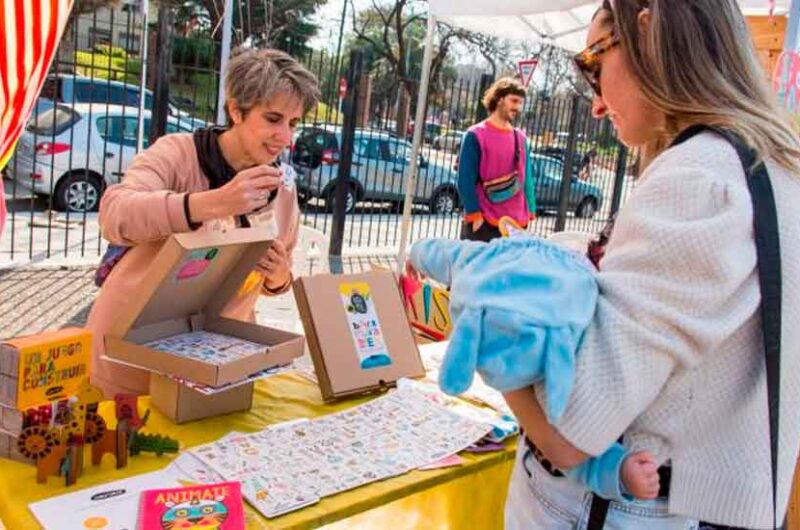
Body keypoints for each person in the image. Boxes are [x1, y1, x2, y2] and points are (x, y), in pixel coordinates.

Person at [501, 1, 800, 529]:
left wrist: (496, 322)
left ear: (649, 33)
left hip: (628, 508)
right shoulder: (775, 168)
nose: (595, 103)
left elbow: (572, 426)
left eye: (592, 63)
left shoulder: (699, 176)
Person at [86, 48, 320, 397]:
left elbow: (279, 281)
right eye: (272, 119)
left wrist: (278, 273)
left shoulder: (281, 190)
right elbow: (115, 214)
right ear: (235, 110)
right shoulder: (178, 154)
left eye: (293, 124)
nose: (285, 137)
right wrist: (212, 203)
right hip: (130, 356)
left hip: (217, 369)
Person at [457, 78, 536, 242]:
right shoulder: (476, 135)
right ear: (499, 99)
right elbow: (465, 179)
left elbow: (526, 177)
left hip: (516, 225)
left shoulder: (520, 138)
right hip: (484, 221)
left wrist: (531, 211)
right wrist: (474, 215)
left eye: (520, 103)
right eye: (514, 101)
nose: (518, 107)